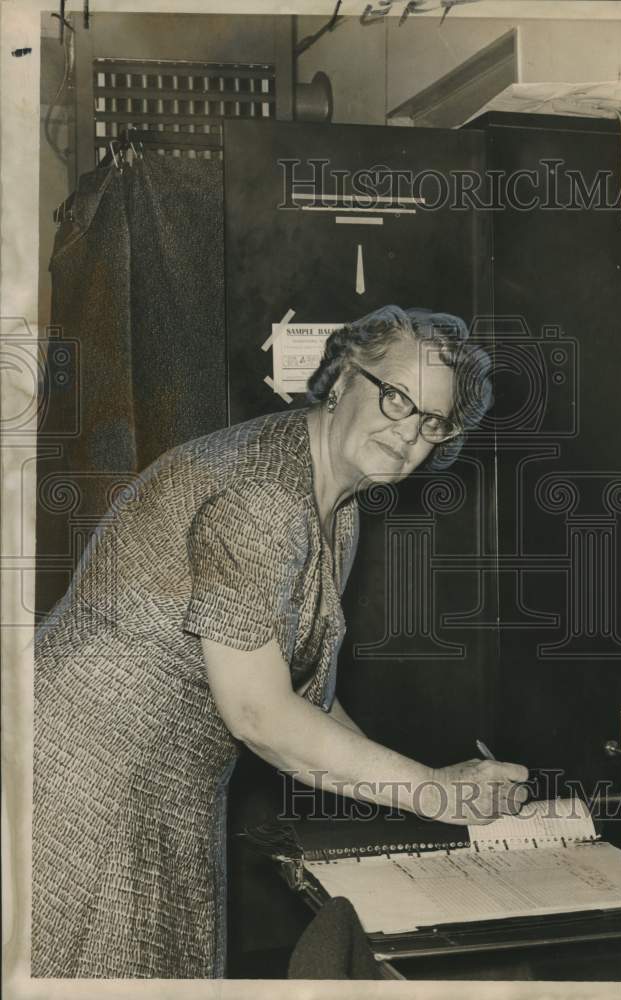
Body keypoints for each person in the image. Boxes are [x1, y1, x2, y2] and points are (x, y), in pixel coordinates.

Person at [32, 305, 528, 979]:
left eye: (430, 420)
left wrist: (440, 785)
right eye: (395, 397)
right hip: (82, 779)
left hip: (162, 781)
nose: (408, 431)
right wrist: (429, 792)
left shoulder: (334, 501)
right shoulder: (265, 493)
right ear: (338, 379)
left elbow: (305, 700)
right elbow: (261, 715)